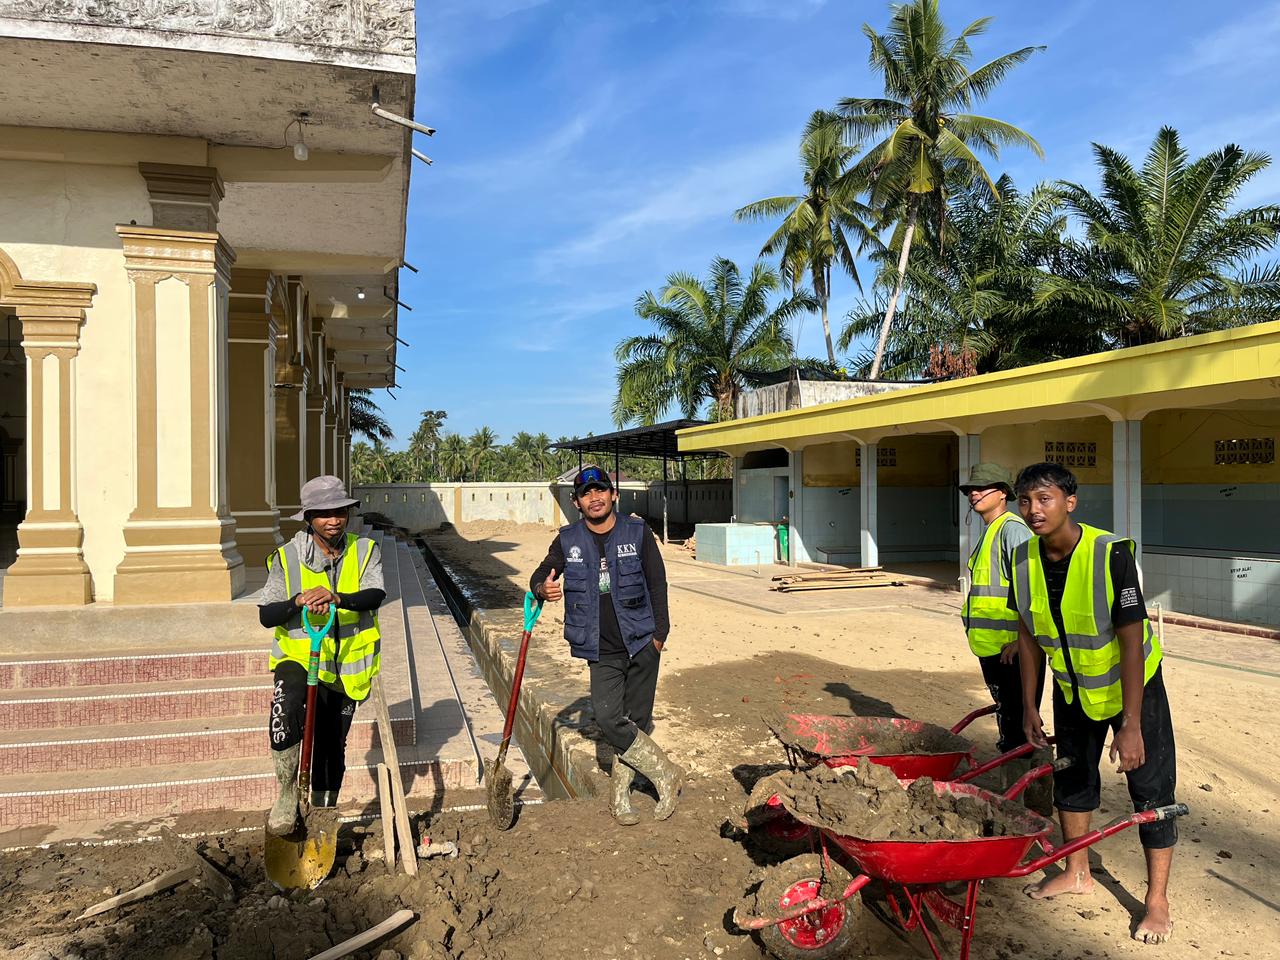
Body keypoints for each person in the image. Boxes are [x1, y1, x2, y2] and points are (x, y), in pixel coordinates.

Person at [1008, 462, 1177, 944]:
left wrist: (1130, 723)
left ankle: (1157, 899)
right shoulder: (1020, 559)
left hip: (1133, 689)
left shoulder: (1109, 553)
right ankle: (1077, 872)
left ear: (1070, 501)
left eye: (1045, 498)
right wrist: (1028, 705)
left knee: (1151, 786)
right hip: (1073, 689)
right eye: (1026, 501)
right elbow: (1027, 634)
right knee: (1072, 776)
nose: (1034, 510)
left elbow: (1128, 640)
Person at [529, 465, 681, 825]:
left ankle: (621, 796)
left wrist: (660, 635)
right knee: (611, 718)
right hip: (601, 649)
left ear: (614, 494)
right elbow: (543, 572)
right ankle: (666, 773)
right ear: (577, 502)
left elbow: (657, 583)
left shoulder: (637, 532)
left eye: (600, 490)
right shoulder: (567, 540)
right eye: (586, 493)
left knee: (638, 721)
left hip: (643, 641)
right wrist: (541, 587)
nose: (594, 497)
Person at [259, 475, 386, 835]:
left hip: (347, 664)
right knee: (285, 713)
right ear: (309, 517)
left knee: (332, 742)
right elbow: (267, 615)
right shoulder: (286, 558)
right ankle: (286, 794)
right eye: (324, 514)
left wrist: (337, 599)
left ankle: (323, 812)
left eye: (340, 512)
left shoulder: (365, 550)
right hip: (298, 657)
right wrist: (297, 601)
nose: (334, 520)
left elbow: (375, 594)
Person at [958, 462, 1046, 801]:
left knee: (1018, 725)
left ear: (1004, 493)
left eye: (982, 488)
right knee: (1014, 721)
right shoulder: (992, 530)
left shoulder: (1012, 529)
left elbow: (1033, 589)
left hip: (1012, 650)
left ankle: (1019, 800)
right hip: (993, 648)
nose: (974, 494)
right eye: (970, 490)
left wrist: (1020, 640)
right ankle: (1031, 792)